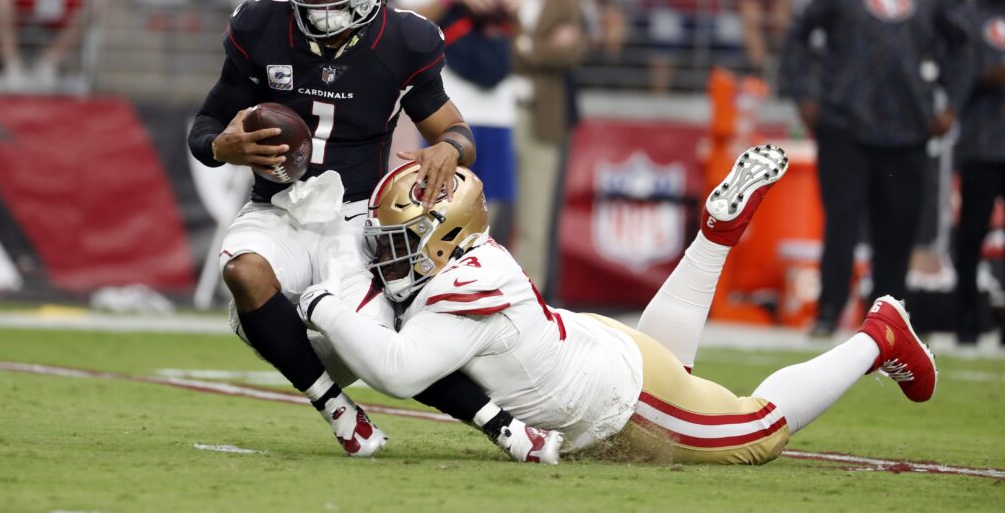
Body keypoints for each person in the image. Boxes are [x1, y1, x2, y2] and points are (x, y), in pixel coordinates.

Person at [186, 0, 560, 462]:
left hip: (355, 219)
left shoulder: (405, 40)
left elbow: (457, 131)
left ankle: (503, 427)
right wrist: (222, 146)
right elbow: (207, 126)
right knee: (243, 271)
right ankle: (338, 410)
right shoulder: (260, 25)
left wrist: (446, 151)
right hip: (276, 210)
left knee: (385, 355)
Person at [298, 145, 938, 462]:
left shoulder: (467, 283)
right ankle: (714, 237)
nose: (386, 255)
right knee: (677, 373)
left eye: (398, 241)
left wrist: (321, 302)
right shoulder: (466, 264)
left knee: (759, 431)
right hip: (599, 352)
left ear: (443, 235)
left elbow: (400, 371)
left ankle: (879, 334)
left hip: (619, 399)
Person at [778, 0, 968, 336]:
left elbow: (962, 44)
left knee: (897, 233)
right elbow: (796, 37)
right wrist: (804, 95)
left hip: (907, 129)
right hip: (844, 124)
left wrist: (950, 104)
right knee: (841, 225)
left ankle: (887, 323)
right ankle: (829, 312)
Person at [395, 0, 519, 244]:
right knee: (441, 191)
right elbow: (407, 18)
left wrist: (510, 8)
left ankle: (482, 270)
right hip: (449, 94)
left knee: (491, 198)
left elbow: (516, 24)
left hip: (496, 95)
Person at [507, 0, 585, 293]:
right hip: (498, 111)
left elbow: (572, 51)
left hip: (543, 116)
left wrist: (522, 46)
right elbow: (492, 48)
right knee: (485, 207)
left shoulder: (565, 0)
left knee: (536, 217)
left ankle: (528, 297)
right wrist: (542, 49)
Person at [953, 0, 1005, 345]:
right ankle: (967, 321)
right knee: (971, 236)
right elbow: (954, 76)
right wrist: (985, 77)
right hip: (982, 144)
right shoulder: (969, 15)